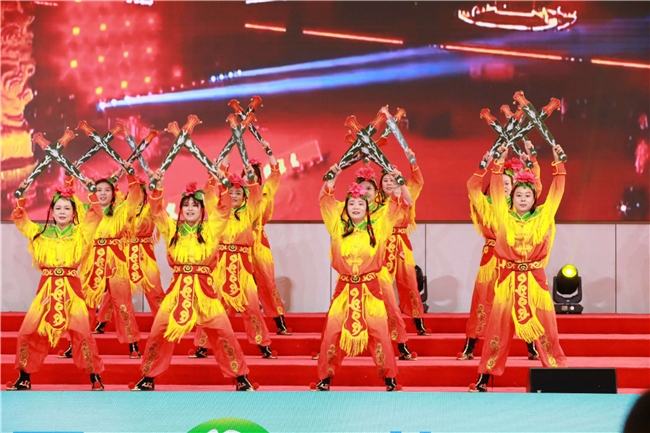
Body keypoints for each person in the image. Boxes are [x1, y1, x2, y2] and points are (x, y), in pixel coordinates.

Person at [131, 169, 255, 391]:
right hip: (177, 293)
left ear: (201, 209)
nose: (190, 209)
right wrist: (157, 187)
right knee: (159, 331)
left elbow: (224, 210)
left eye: (194, 205)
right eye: (186, 205)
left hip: (205, 293)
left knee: (224, 333)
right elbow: (157, 212)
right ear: (181, 209)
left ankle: (240, 376)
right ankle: (148, 376)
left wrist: (223, 185)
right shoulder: (173, 229)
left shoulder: (211, 229)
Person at [470, 144, 568, 392]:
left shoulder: (543, 217)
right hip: (508, 282)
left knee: (547, 329)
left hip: (535, 282)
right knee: (498, 331)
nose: (523, 199)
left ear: (534, 199)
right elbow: (495, 189)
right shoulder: (503, 216)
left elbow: (556, 192)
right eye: (518, 195)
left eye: (527, 196)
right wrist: (498, 162)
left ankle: (557, 374)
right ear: (510, 198)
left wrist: (558, 164)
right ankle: (484, 377)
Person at [312, 164, 407, 391]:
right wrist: (332, 179)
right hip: (344, 291)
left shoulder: (379, 228)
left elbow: (395, 207)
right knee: (332, 333)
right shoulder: (337, 227)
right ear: (345, 207)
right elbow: (325, 202)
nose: (356, 207)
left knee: (380, 334)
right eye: (351, 204)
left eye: (360, 204)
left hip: (370, 291)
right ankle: (325, 378)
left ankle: (390, 379)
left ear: (368, 208)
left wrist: (397, 183)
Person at [7, 180, 105, 391]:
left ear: (73, 212)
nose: (62, 212)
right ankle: (24, 376)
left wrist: (91, 193)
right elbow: (20, 219)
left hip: (72, 290)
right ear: (52, 211)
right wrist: (22, 195)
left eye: (66, 209)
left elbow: (96, 215)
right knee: (28, 332)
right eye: (58, 208)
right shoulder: (41, 233)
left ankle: (95, 375)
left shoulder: (81, 233)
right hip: (47, 289)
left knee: (83, 334)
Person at [459, 141, 543, 361]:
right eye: (502, 182)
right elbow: (471, 187)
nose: (505, 186)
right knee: (482, 302)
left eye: (509, 183)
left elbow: (536, 188)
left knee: (521, 300)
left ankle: (532, 346)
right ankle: (470, 346)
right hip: (491, 260)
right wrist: (484, 166)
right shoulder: (486, 204)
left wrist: (532, 162)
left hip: (514, 260)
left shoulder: (518, 206)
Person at [65, 167, 144, 359]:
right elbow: (70, 199)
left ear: (113, 192)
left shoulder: (120, 211)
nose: (102, 193)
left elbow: (135, 197)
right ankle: (75, 344)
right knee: (85, 304)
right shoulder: (86, 211)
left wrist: (130, 174)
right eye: (98, 190)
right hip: (93, 260)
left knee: (123, 303)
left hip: (116, 261)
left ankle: (133, 343)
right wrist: (69, 177)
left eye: (106, 190)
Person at [93, 174, 165, 334]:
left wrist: (158, 188)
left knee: (155, 290)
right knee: (114, 291)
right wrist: (116, 177)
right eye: (135, 193)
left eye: (141, 193)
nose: (138, 196)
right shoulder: (123, 210)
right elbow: (113, 194)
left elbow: (157, 204)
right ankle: (102, 322)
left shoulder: (149, 210)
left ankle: (163, 323)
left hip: (145, 255)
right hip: (124, 254)